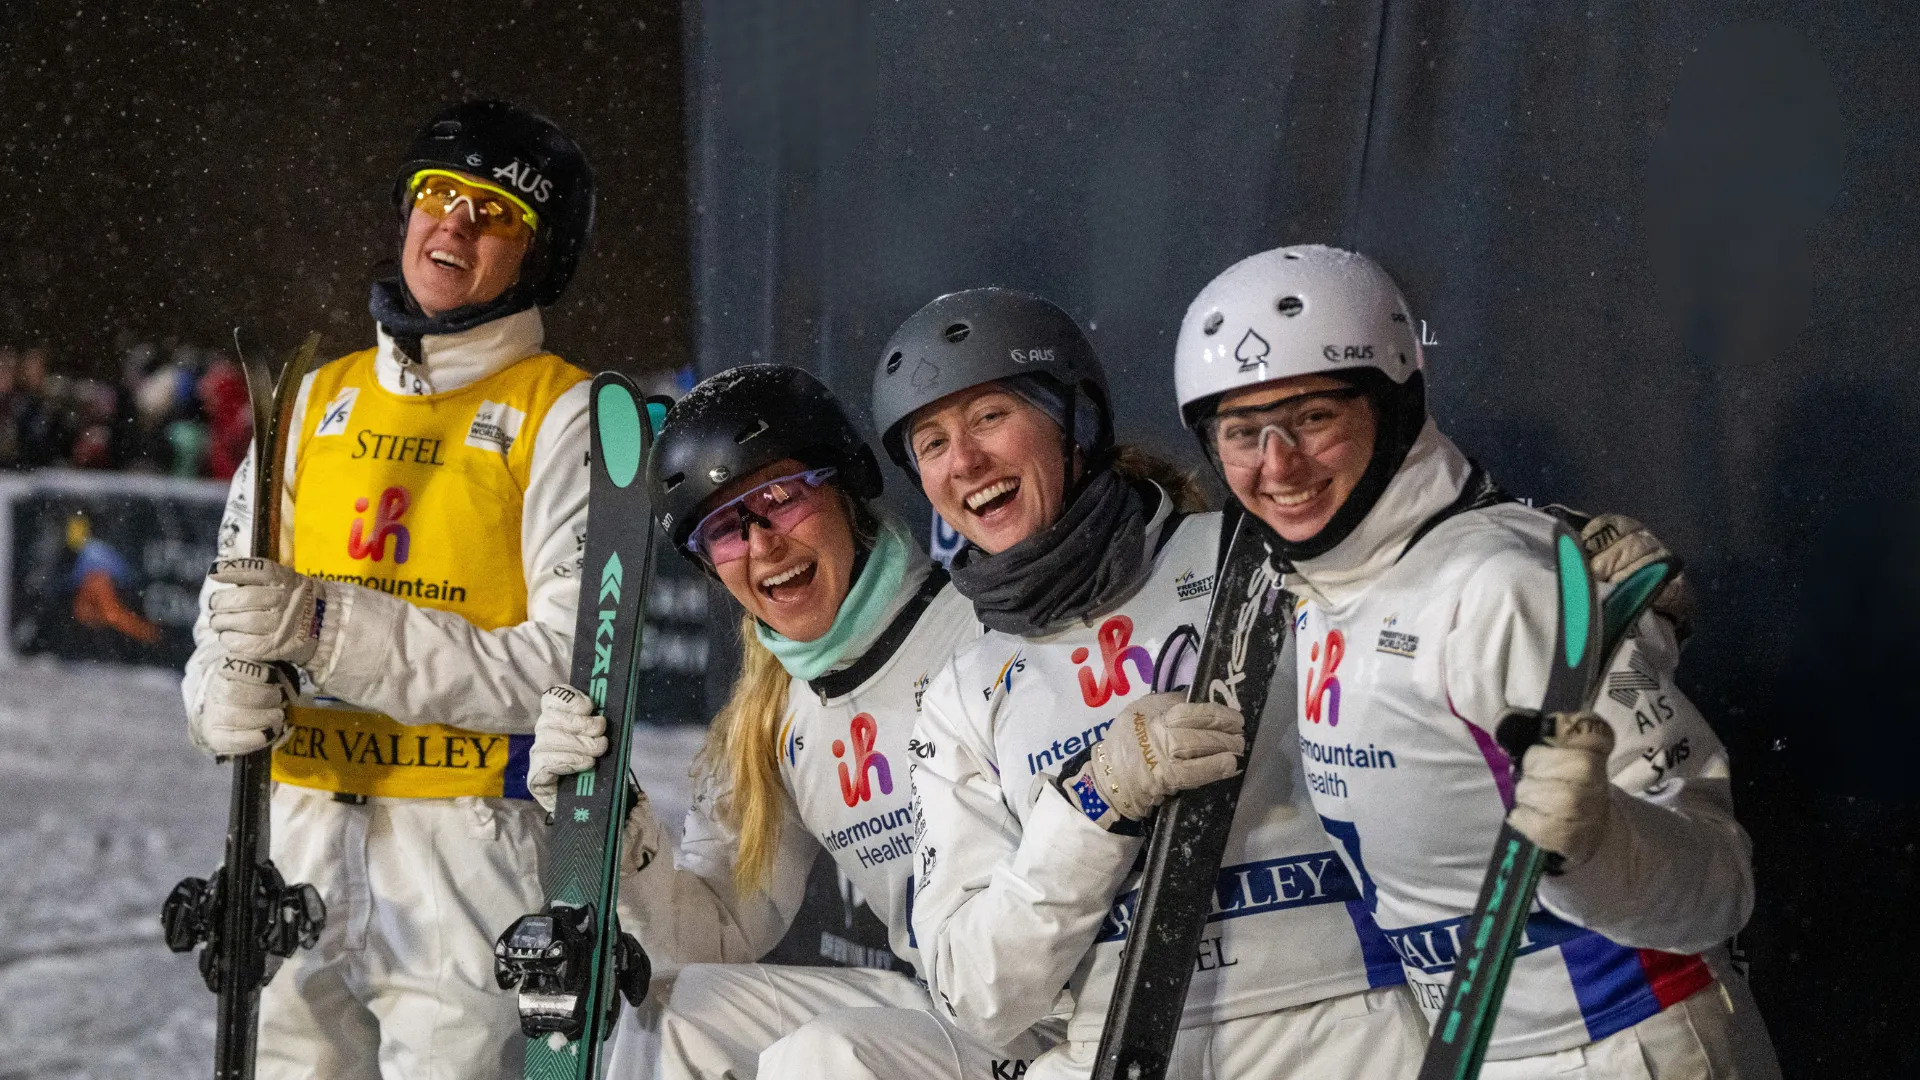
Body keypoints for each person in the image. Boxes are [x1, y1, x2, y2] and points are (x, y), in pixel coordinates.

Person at [1169, 244, 1777, 1077]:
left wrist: (1600, 844)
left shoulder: (1497, 582)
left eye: (1314, 417)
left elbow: (1720, 881)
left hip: (1624, 1041)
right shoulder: (1316, 589)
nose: (1278, 465)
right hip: (1483, 1054)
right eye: (1242, 432)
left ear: (1394, 404)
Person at [179, 100, 597, 1079]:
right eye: (436, 195)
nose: (453, 221)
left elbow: (562, 672)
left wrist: (326, 626)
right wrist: (217, 699)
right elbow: (222, 622)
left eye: (494, 211)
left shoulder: (562, 411)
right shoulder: (312, 400)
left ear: (537, 257)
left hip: (465, 844)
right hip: (294, 833)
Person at [523, 365, 1058, 1079]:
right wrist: (619, 828)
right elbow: (715, 934)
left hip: (1063, 1017)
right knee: (678, 1008)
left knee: (824, 1061)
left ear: (843, 488)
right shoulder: (770, 713)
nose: (762, 545)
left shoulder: (979, 630)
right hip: (952, 1017)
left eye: (778, 498)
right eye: (723, 529)